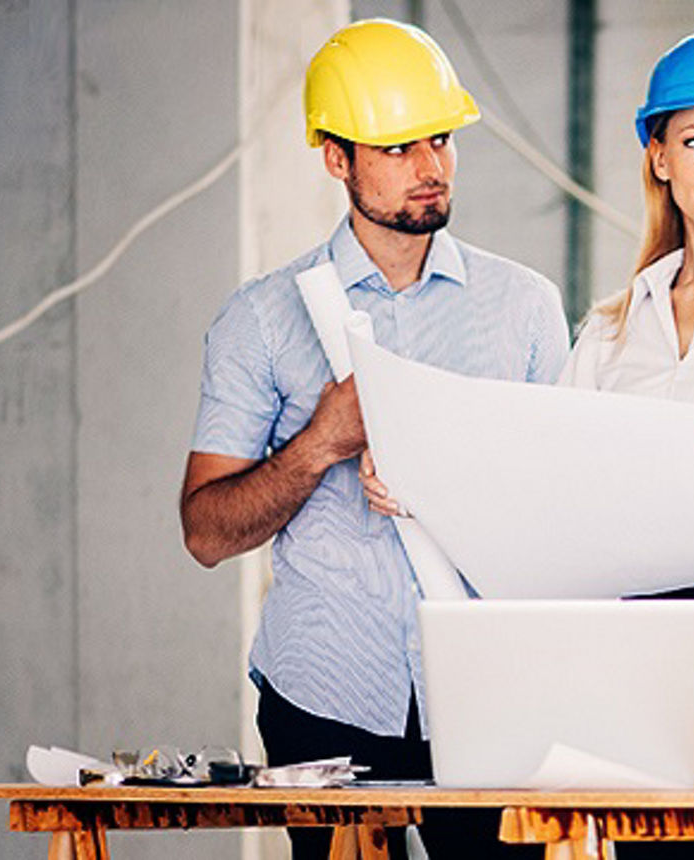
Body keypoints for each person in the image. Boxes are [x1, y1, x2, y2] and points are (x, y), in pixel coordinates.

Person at [366, 22, 694, 859]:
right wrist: (416, 488)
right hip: (634, 647)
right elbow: (545, 496)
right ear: (659, 158)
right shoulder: (607, 331)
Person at [180, 18, 567, 859]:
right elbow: (206, 532)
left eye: (439, 139)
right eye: (396, 149)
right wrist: (321, 442)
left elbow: (562, 517)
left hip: (489, 694)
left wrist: (454, 482)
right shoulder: (263, 319)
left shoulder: (524, 307)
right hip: (325, 695)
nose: (429, 168)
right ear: (335, 157)